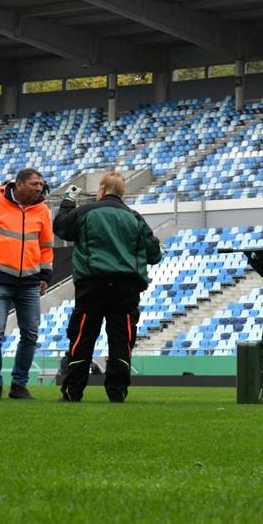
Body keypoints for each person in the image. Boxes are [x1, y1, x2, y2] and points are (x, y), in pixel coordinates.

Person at [53, 172, 161, 403]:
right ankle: (117, 392)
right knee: (122, 340)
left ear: (101, 190)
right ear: (123, 193)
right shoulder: (135, 218)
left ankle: (73, 392)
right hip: (126, 289)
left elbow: (60, 227)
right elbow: (155, 254)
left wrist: (68, 201)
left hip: (92, 285)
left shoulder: (85, 212)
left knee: (82, 337)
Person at [0, 167, 54, 400]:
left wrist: (46, 275)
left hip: (30, 283)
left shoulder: (43, 210)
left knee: (31, 335)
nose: (39, 188)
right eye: (35, 184)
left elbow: (46, 246)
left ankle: (19, 386)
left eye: (40, 184)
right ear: (18, 184)